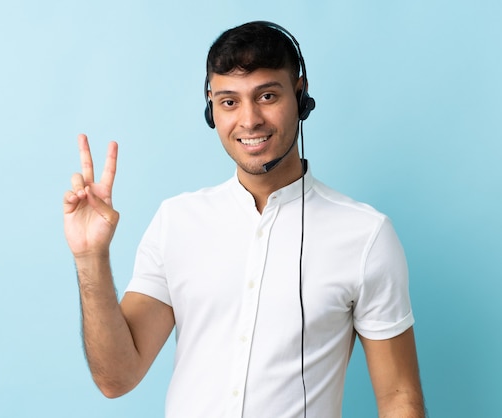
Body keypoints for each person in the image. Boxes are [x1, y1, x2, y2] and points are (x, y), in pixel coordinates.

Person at [63, 21, 425, 418]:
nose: (249, 120)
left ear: (301, 97)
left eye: (267, 95)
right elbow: (117, 378)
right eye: (229, 102)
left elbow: (399, 399)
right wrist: (90, 258)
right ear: (211, 109)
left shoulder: (365, 235)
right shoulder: (176, 222)